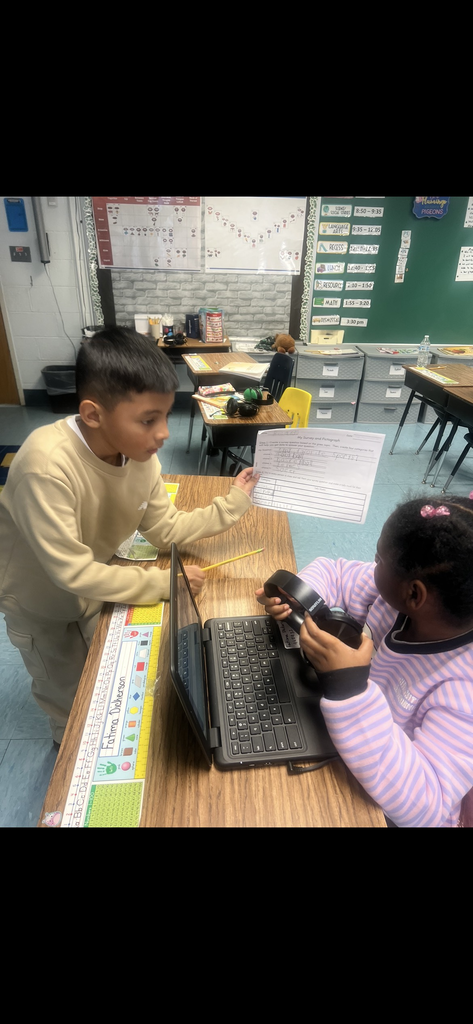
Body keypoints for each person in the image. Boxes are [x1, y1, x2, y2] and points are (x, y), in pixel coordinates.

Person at [0, 327, 259, 746]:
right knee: (63, 692)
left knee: (101, 676)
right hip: (38, 602)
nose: (164, 434)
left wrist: (231, 504)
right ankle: (68, 759)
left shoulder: (140, 457)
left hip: (93, 587)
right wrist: (164, 583)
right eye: (148, 420)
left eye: (165, 416)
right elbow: (72, 572)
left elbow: (164, 529)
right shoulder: (45, 466)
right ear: (93, 414)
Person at [256, 494, 473, 828]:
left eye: (378, 560)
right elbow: (334, 571)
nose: (372, 566)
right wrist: (300, 597)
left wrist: (351, 689)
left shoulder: (463, 689)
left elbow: (426, 806)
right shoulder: (392, 602)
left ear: (414, 593)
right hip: (346, 748)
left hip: (382, 807)